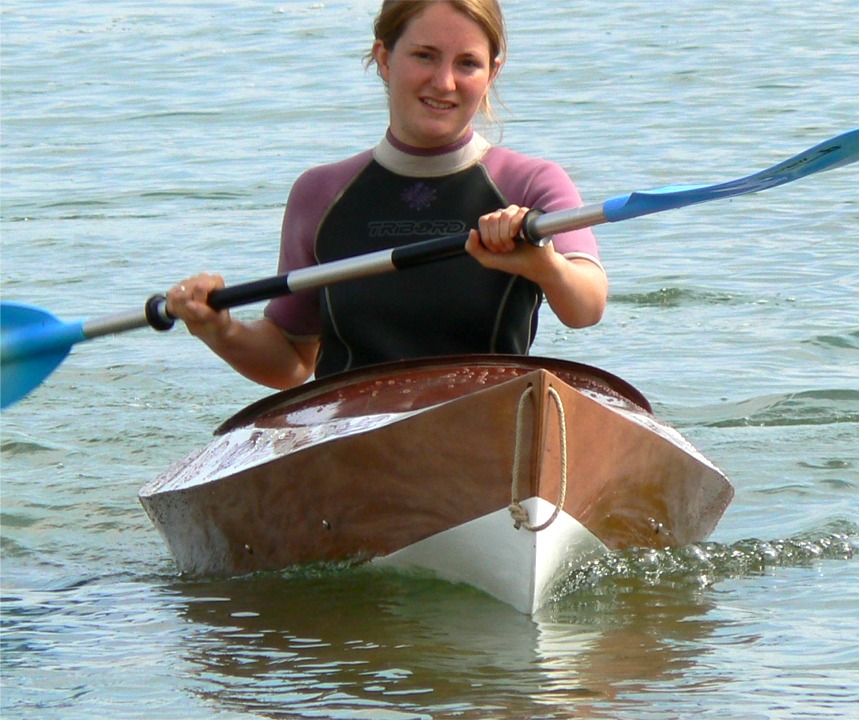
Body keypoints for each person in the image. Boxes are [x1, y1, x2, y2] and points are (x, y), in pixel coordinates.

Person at [167, 0, 607, 390]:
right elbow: (291, 363)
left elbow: (587, 306)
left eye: (467, 63)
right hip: (350, 439)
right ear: (384, 58)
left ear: (492, 71)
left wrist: (544, 264)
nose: (445, 82)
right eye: (424, 56)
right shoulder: (319, 193)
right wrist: (219, 330)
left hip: (488, 431)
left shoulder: (531, 184)